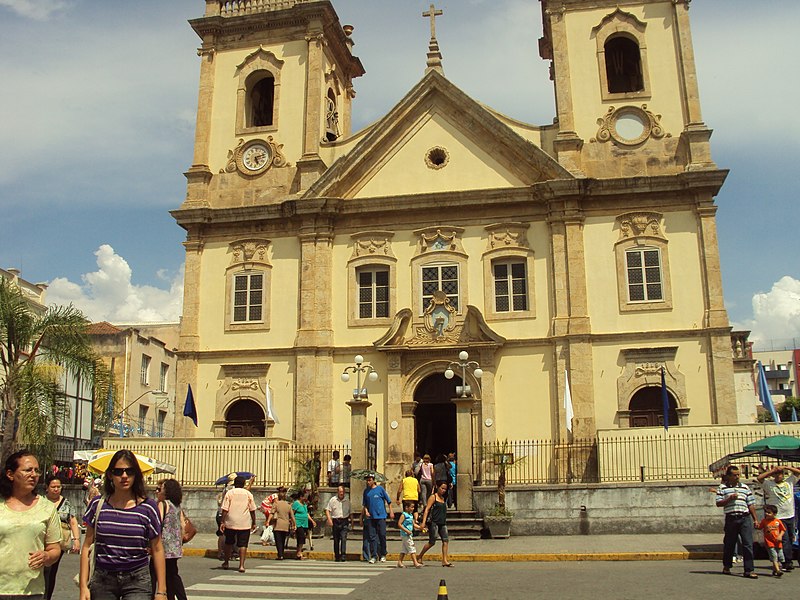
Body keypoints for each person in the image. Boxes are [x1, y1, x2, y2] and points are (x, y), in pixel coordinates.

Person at [79, 448, 166, 600]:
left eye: (129, 471)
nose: (124, 476)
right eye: (118, 472)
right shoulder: (97, 505)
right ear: (111, 475)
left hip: (137, 580)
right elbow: (86, 546)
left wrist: (161, 591)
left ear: (136, 475)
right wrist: (83, 587)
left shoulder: (148, 507)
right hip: (103, 579)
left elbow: (157, 548)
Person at [0, 450, 61, 600]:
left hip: (31, 590)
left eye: (37, 470)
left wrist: (46, 556)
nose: (34, 474)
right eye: (28, 470)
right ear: (10, 474)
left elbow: (54, 549)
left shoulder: (47, 508)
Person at [715, 464, 758, 578]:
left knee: (748, 544)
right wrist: (729, 498)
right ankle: (727, 566)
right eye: (734, 475)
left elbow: (751, 503)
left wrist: (755, 519)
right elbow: (718, 503)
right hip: (731, 518)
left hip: (744, 518)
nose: (737, 477)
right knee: (729, 543)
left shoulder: (744, 487)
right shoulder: (722, 488)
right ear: (729, 476)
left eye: (738, 475)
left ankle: (749, 570)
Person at [43, 475, 80, 600]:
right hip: (43, 541)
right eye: (53, 487)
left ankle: (47, 596)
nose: (56, 489)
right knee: (43, 570)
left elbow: (73, 521)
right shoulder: (41, 501)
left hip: (60, 542)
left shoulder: (66, 503)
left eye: (58, 487)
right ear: (47, 488)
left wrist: (76, 539)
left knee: (52, 571)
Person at [757, 464, 800, 571]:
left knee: (791, 538)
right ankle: (787, 561)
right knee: (784, 539)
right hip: (778, 516)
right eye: (776, 474)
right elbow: (760, 478)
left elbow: (798, 472)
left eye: (780, 474)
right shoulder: (769, 484)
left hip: (790, 514)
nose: (778, 476)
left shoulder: (789, 481)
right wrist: (773, 470)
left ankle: (788, 558)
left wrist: (786, 467)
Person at [154, 479, 188, 600]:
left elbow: (157, 524)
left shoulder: (163, 504)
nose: (159, 491)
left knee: (153, 574)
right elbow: (182, 526)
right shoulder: (177, 506)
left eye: (161, 488)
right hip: (175, 546)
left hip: (162, 546)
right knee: (172, 575)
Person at [220, 475, 257, 573]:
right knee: (243, 545)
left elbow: (225, 509)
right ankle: (241, 565)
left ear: (235, 484)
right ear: (244, 484)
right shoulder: (248, 494)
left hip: (230, 522)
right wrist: (254, 522)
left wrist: (222, 521)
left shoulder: (229, 493)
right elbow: (252, 510)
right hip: (244, 523)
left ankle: (226, 562)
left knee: (229, 543)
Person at [417, 481, 453, 567]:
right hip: (434, 523)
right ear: (438, 487)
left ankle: (444, 560)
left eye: (445, 489)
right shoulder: (433, 497)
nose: (443, 490)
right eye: (442, 488)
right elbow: (427, 509)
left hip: (442, 523)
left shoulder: (443, 498)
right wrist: (423, 522)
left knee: (445, 540)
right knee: (432, 542)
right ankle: (420, 556)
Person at [362, 474, 394, 563]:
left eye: (369, 480)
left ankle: (383, 553)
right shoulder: (366, 491)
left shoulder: (380, 489)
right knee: (372, 537)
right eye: (367, 480)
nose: (368, 482)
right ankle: (374, 555)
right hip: (371, 517)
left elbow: (389, 501)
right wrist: (366, 511)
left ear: (373, 480)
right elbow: (364, 504)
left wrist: (391, 511)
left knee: (382, 535)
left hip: (381, 516)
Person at [757, 504, 787, 577]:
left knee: (780, 557)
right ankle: (778, 570)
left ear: (774, 514)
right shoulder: (764, 521)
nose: (767, 514)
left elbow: (783, 530)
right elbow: (759, 527)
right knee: (774, 556)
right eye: (766, 512)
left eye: (769, 512)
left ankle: (775, 569)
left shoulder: (777, 521)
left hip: (778, 542)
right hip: (769, 542)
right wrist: (756, 524)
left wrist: (780, 536)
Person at [325, 485, 352, 562]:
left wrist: (352, 521)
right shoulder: (333, 500)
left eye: (342, 492)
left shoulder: (347, 501)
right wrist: (329, 519)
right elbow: (327, 510)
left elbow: (350, 512)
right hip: (336, 521)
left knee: (344, 538)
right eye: (340, 492)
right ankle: (337, 556)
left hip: (344, 521)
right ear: (337, 492)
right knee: (336, 540)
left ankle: (343, 555)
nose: (341, 493)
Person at [268, 487, 295, 560]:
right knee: (282, 540)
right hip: (286, 525)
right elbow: (292, 516)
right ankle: (281, 554)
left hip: (278, 525)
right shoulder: (288, 505)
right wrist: (294, 524)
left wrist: (268, 521)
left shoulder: (276, 504)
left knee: (278, 541)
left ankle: (280, 555)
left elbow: (271, 513)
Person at [396, 501, 422, 568]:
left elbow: (413, 524)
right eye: (411, 507)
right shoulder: (404, 515)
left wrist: (420, 528)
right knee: (411, 548)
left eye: (413, 507)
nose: (413, 509)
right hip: (405, 534)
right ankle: (415, 562)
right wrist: (406, 530)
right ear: (406, 507)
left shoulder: (411, 515)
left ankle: (400, 562)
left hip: (409, 534)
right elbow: (399, 524)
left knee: (404, 549)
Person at [292, 489, 316, 560]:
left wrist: (312, 521)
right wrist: (293, 523)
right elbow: (292, 513)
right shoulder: (296, 503)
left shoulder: (305, 504)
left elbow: (306, 513)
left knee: (302, 537)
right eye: (304, 497)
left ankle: (298, 552)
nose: (305, 498)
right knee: (301, 536)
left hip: (304, 523)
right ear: (300, 497)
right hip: (298, 523)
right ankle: (299, 552)